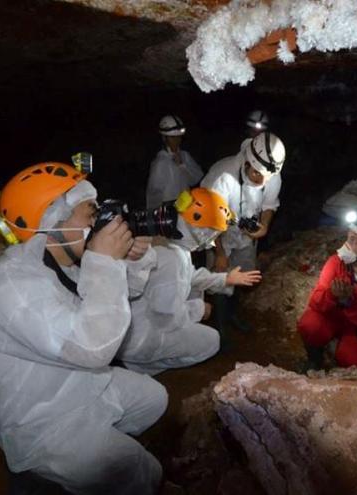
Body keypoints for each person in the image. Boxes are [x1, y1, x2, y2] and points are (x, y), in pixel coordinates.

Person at [0, 162, 165, 495]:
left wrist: (126, 260)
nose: (97, 223)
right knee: (142, 472)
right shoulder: (11, 289)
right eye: (90, 214)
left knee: (154, 399)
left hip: (81, 385)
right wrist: (104, 261)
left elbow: (117, 298)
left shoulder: (58, 260)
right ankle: (47, 476)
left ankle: (97, 451)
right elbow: (93, 347)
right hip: (45, 422)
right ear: (50, 222)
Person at [118, 187, 261, 373]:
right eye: (214, 234)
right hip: (141, 338)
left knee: (194, 292)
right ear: (202, 232)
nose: (212, 240)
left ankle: (138, 361)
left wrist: (226, 279)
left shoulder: (167, 241)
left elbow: (190, 276)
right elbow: (165, 318)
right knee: (211, 341)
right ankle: (140, 367)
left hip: (132, 325)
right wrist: (200, 310)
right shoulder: (173, 259)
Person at [201, 132, 285, 338]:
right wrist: (219, 253)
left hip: (245, 236)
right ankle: (220, 328)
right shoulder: (223, 176)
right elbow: (206, 219)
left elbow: (269, 204)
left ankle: (231, 315)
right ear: (247, 161)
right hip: (217, 233)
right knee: (220, 277)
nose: (261, 180)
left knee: (242, 275)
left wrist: (264, 225)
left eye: (266, 177)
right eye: (256, 174)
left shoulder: (270, 172)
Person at [297, 216, 357, 370]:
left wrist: (349, 303)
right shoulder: (336, 262)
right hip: (333, 316)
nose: (346, 245)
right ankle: (315, 360)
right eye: (349, 238)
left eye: (354, 241)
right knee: (310, 324)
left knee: (353, 358)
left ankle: (341, 363)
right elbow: (315, 302)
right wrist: (331, 295)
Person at [146, 114, 204, 209]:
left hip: (186, 208)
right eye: (172, 137)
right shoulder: (160, 162)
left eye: (179, 137)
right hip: (169, 210)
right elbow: (154, 194)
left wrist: (182, 165)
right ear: (164, 138)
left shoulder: (185, 156)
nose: (177, 140)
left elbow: (197, 179)